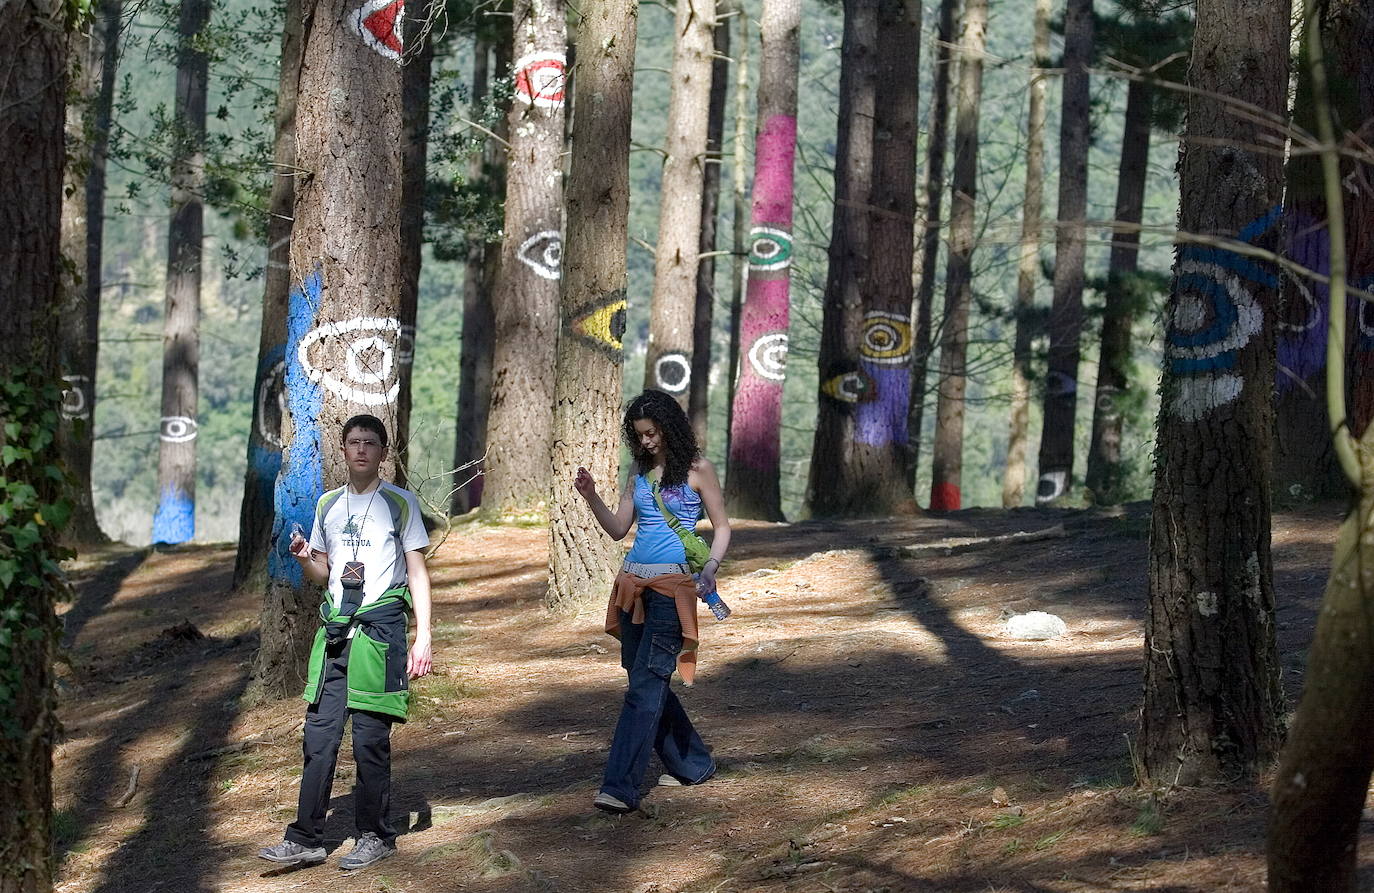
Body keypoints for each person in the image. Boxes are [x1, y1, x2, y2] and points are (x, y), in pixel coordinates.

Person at [258, 414, 433, 869]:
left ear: (382, 452)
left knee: (370, 740)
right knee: (319, 737)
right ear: (342, 450)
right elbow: (323, 572)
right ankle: (306, 837)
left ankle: (375, 835)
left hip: (379, 634)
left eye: (370, 443)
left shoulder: (400, 503)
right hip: (335, 634)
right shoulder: (326, 506)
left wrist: (424, 635)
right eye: (353, 442)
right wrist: (303, 559)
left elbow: (416, 571)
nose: (361, 450)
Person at [573, 389, 732, 814]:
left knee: (644, 686)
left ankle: (619, 787)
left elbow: (722, 527)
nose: (645, 442)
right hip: (631, 588)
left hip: (671, 592)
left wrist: (711, 567)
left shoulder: (699, 470)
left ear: (669, 426)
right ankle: (694, 763)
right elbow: (618, 528)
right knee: (647, 681)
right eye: (639, 436)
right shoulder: (639, 473)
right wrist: (591, 497)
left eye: (651, 433)